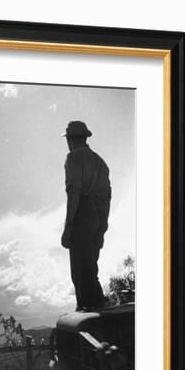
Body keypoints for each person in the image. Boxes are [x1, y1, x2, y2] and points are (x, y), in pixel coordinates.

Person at [60, 121, 111, 311]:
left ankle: (89, 311)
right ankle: (96, 306)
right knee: (91, 267)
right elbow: (107, 196)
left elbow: (74, 193)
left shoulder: (73, 158)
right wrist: (102, 226)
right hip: (98, 216)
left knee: (81, 272)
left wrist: (69, 227)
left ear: (71, 140)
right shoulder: (100, 162)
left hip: (83, 214)